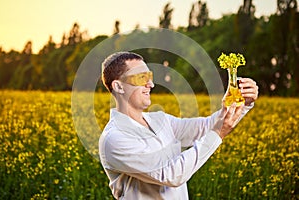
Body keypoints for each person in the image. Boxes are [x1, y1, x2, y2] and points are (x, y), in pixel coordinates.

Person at [99, 51, 258, 200]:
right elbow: (170, 174)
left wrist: (240, 103)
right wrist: (217, 134)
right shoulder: (114, 138)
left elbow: (206, 127)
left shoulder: (161, 120)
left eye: (149, 76)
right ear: (118, 86)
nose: (151, 84)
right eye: (141, 78)